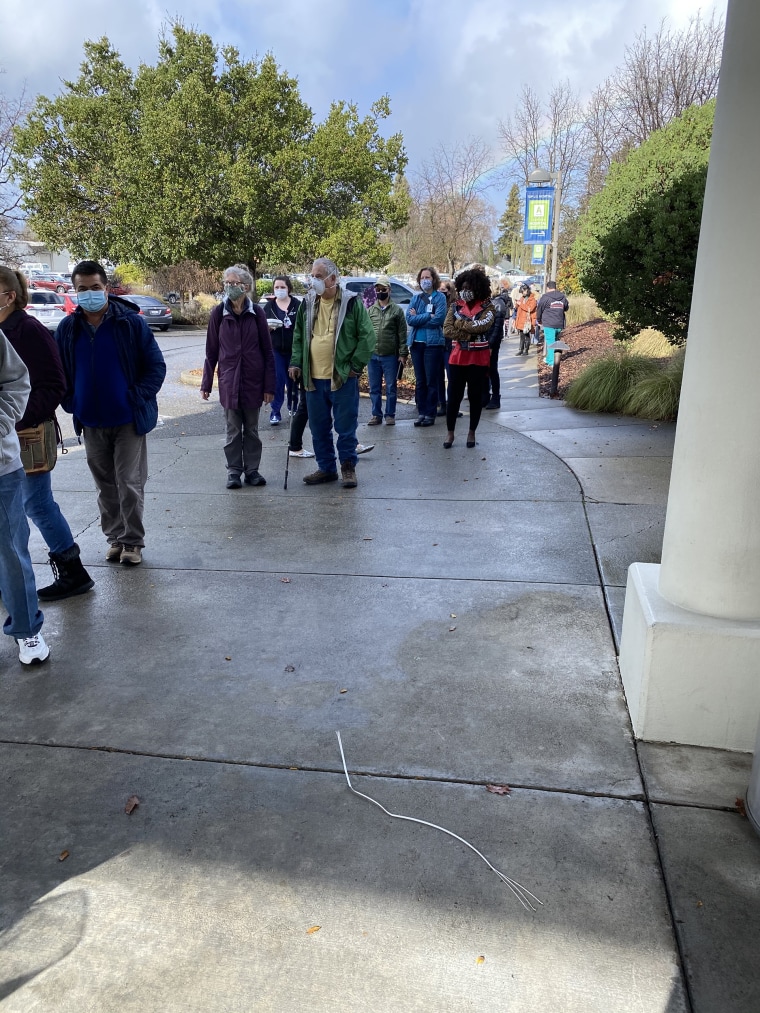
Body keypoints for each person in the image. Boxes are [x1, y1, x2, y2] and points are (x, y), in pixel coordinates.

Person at [57, 260, 166, 566]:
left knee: (129, 482)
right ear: (75, 291)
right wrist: (71, 402)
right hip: (90, 421)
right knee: (105, 486)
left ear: (106, 288)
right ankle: (116, 538)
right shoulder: (68, 329)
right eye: (82, 289)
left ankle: (133, 542)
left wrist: (134, 398)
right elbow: (60, 373)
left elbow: (155, 367)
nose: (89, 293)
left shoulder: (130, 323)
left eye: (95, 287)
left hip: (127, 419)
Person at [0, 266, 94, 599]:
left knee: (36, 505)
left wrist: (11, 419)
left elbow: (54, 385)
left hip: (25, 436)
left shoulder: (28, 330)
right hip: (8, 436)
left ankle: (73, 571)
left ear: (9, 296)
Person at [289, 258, 375, 488]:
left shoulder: (351, 303)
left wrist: (355, 367)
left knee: (345, 427)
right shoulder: (307, 303)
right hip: (313, 378)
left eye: (318, 276)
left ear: (333, 279)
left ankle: (348, 467)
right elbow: (298, 336)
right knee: (318, 427)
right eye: (312, 275)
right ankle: (326, 468)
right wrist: (295, 362)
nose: (313, 280)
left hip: (342, 377)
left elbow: (367, 337)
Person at [201, 264, 275, 489]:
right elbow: (211, 352)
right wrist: (206, 384)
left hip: (253, 381)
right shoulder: (218, 313)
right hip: (229, 382)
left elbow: (267, 352)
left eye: (235, 283)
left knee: (251, 430)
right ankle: (234, 471)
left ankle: (252, 470)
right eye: (227, 283)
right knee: (233, 430)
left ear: (246, 286)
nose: (230, 287)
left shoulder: (257, 313)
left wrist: (269, 386)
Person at [0, 329, 49, 663]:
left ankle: (27, 630)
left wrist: (1, 421)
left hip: (1, 468)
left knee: (11, 553)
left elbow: (17, 381)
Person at [442, 268, 495, 449]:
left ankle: (472, 432)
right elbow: (447, 330)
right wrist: (468, 332)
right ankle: (450, 433)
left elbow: (483, 325)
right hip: (458, 357)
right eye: (463, 287)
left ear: (478, 288)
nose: (466, 290)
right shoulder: (455, 306)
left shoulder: (488, 307)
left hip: (479, 358)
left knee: (475, 397)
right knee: (454, 397)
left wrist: (460, 324)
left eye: (469, 287)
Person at [406, 267, 447, 427]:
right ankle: (421, 412)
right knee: (420, 381)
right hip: (416, 344)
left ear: (433, 279)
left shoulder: (440, 298)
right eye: (422, 277)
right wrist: (426, 316)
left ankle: (430, 413)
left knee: (431, 380)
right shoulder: (416, 298)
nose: (424, 280)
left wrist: (419, 317)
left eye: (427, 277)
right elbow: (409, 319)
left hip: (433, 345)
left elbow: (438, 319)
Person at [366, 275, 407, 426]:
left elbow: (402, 333)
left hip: (390, 355)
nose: (380, 292)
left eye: (383, 289)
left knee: (391, 387)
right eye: (377, 289)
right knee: (374, 388)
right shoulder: (370, 310)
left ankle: (390, 415)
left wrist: (403, 353)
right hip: (373, 355)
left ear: (389, 290)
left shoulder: (396, 311)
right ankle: (376, 415)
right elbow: (365, 333)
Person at [264, 276, 299, 426]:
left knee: (293, 380)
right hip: (276, 350)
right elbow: (261, 330)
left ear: (288, 288)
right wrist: (268, 330)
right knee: (277, 381)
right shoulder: (269, 307)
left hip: (294, 350)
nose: (279, 290)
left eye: (282, 287)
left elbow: (303, 326)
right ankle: (275, 412)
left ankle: (293, 407)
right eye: (276, 287)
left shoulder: (298, 305)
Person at [483, 283, 510, 410]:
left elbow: (497, 328)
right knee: (485, 370)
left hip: (491, 342)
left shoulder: (498, 304)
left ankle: (495, 397)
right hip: (485, 340)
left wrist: (490, 345)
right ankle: (485, 396)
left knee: (492, 369)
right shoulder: (490, 302)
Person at [536, 280, 569, 367]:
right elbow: (566, 307)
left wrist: (538, 320)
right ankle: (548, 358)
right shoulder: (562, 297)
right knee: (554, 340)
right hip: (559, 323)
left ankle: (551, 362)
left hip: (549, 323)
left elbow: (539, 309)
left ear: (547, 288)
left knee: (551, 342)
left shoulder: (545, 297)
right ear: (555, 287)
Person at [514, 284, 537, 355]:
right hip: (521, 320)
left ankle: (526, 350)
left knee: (527, 335)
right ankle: (520, 349)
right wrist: (517, 304)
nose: (522, 293)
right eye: (522, 292)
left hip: (527, 321)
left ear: (527, 290)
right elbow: (518, 308)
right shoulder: (522, 298)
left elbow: (530, 309)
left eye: (523, 291)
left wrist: (520, 304)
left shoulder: (532, 299)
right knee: (521, 336)